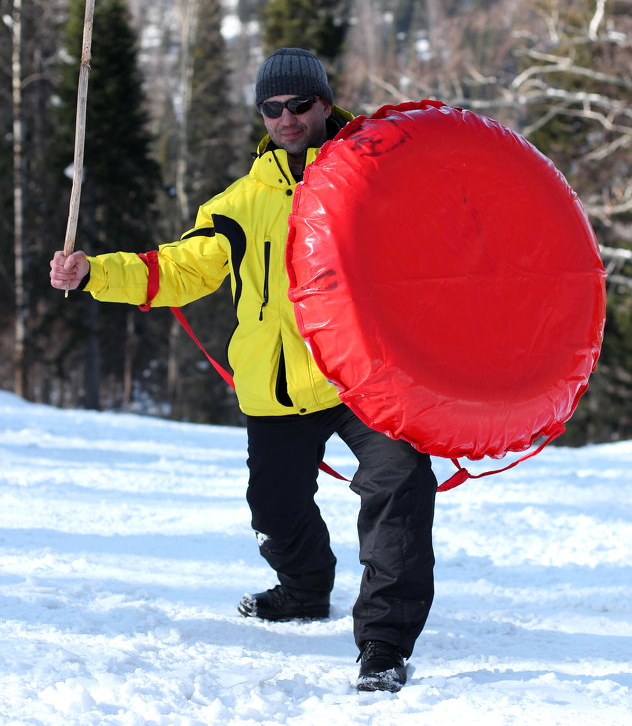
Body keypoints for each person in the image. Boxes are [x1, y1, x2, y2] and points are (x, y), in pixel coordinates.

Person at [50, 47, 438, 693]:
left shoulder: (375, 174)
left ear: (324, 102)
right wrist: (93, 272)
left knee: (400, 487)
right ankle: (305, 589)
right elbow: (177, 268)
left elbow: (447, 246)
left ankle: (384, 644)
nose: (286, 116)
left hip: (364, 380)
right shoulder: (240, 202)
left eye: (300, 104)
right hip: (279, 390)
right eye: (271, 106)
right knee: (275, 512)